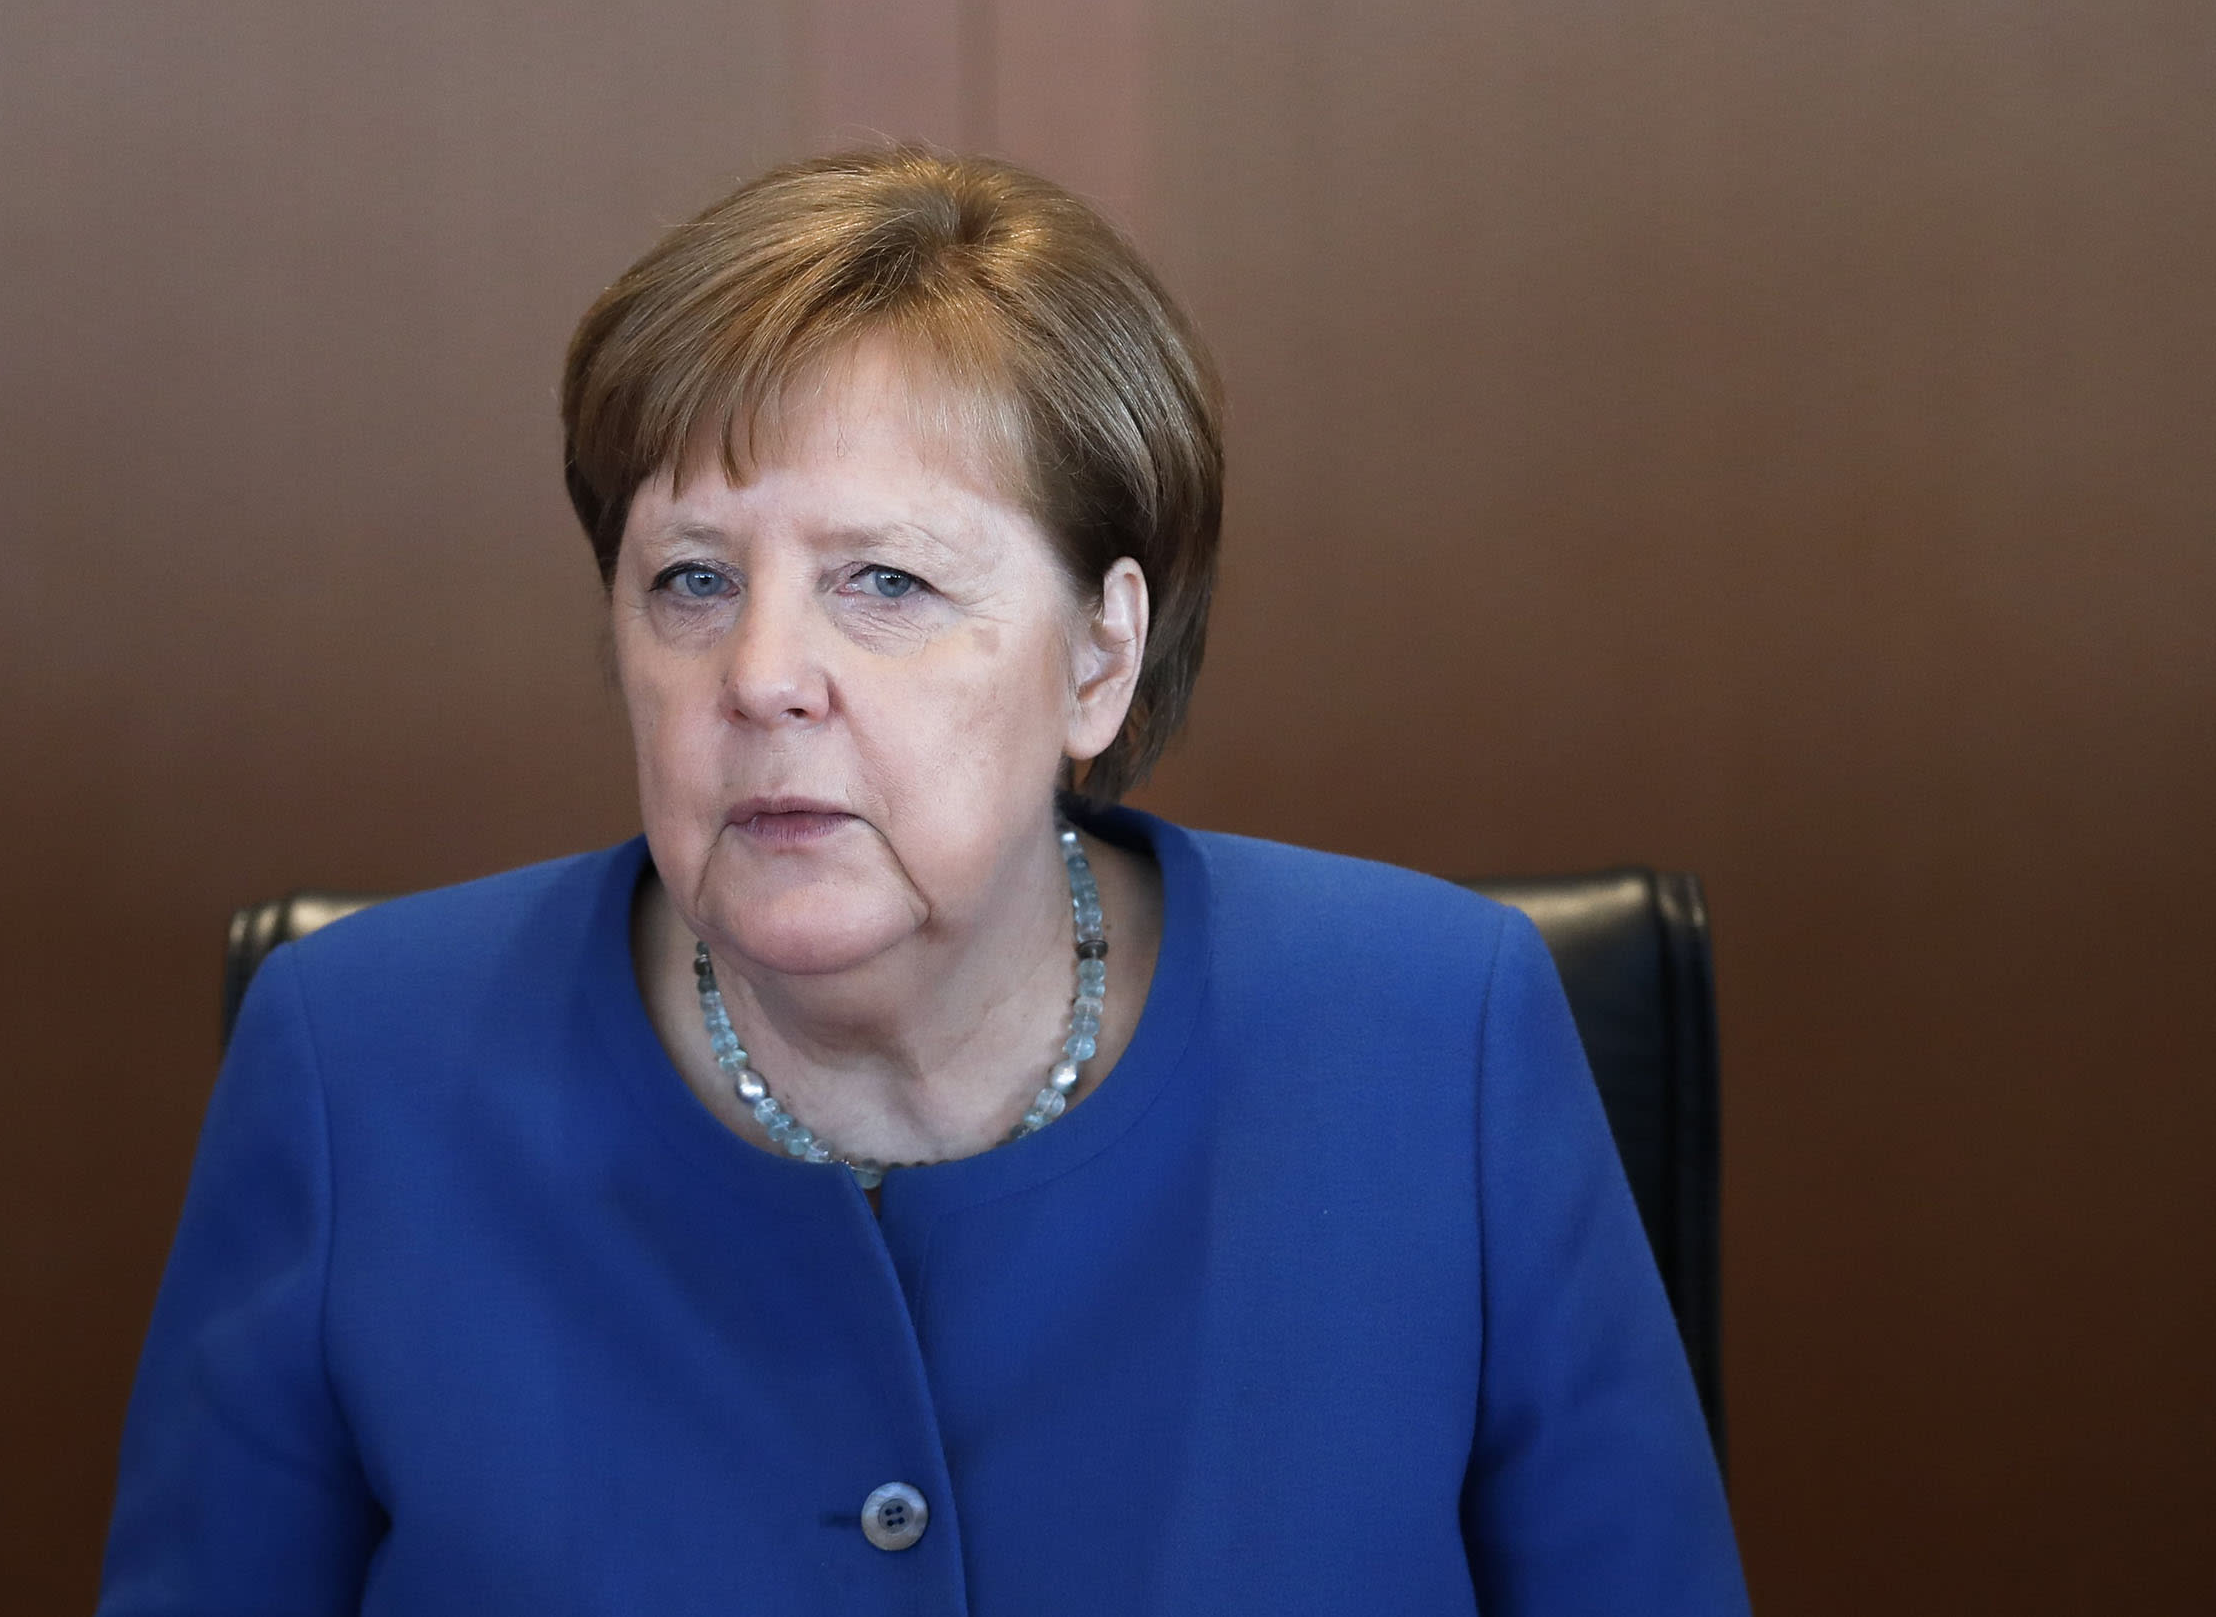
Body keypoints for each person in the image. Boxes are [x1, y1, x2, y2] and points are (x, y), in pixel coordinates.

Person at [97, 147, 1746, 1614]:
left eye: (882, 580)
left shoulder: (1432, 1033)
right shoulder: (355, 1064)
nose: (760, 674)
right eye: (689, 578)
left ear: (1103, 654)